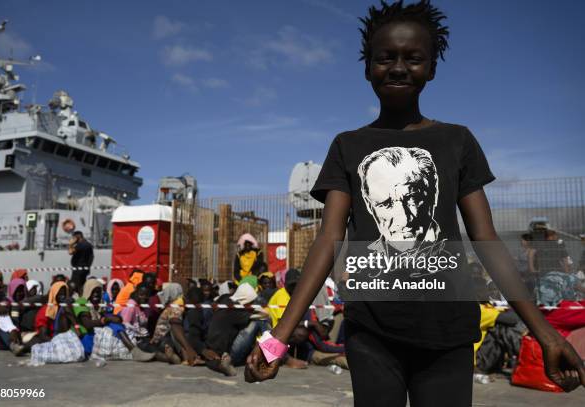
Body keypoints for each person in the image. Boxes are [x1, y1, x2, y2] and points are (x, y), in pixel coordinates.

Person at [244, 1, 585, 404]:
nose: (399, 67)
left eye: (414, 58)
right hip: (371, 331)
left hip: (449, 333)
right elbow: (328, 239)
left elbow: (486, 239)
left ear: (433, 68)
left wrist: (543, 332)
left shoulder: (457, 141)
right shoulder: (348, 146)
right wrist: (278, 339)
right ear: (367, 66)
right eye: (386, 57)